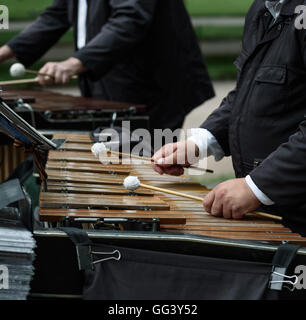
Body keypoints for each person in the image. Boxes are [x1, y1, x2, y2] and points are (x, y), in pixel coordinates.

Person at [153, 0, 306, 236]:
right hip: (271, 210)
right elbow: (248, 92)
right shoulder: (261, 9)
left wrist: (257, 187)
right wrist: (200, 143)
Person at [0, 0, 214, 132]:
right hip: (109, 79)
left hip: (152, 87)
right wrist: (4, 53)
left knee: (141, 174)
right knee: (110, 163)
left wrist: (74, 63)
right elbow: (56, 14)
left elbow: (131, 18)